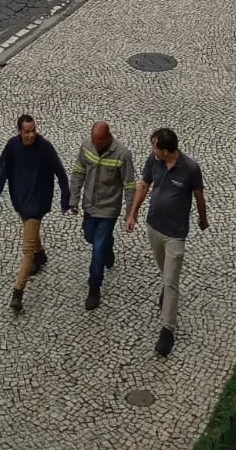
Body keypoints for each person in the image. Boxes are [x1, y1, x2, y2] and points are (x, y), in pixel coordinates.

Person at [126, 127, 207, 357]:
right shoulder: (154, 161)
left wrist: (203, 219)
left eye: (154, 146)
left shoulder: (190, 169)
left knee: (171, 281)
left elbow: (199, 196)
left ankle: (167, 330)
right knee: (165, 273)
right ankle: (166, 289)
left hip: (175, 234)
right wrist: (133, 214)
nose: (151, 150)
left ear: (165, 150)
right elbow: (143, 185)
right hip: (154, 227)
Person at [0, 114, 70, 313]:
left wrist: (66, 201)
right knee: (31, 234)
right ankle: (40, 256)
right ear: (19, 132)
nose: (31, 135)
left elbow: (60, 172)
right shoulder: (12, 147)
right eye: (27, 132)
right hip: (20, 200)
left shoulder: (45, 147)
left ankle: (18, 292)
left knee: (26, 250)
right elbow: (1, 171)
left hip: (37, 202)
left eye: (33, 130)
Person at [69, 121, 136, 310]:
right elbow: (78, 172)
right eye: (93, 140)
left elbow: (129, 185)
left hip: (108, 211)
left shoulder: (123, 155)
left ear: (108, 137)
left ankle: (94, 288)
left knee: (97, 249)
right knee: (90, 237)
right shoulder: (87, 146)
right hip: (90, 206)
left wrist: (130, 212)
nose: (95, 144)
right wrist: (73, 199)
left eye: (99, 142)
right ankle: (109, 246)